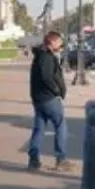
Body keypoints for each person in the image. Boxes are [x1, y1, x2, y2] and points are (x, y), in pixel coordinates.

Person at [28, 30, 71, 172]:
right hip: (49, 98)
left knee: (39, 128)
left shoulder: (40, 55)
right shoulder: (46, 57)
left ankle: (34, 160)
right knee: (60, 126)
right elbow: (47, 77)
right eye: (59, 42)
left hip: (39, 98)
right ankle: (61, 159)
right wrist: (57, 91)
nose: (61, 45)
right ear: (52, 42)